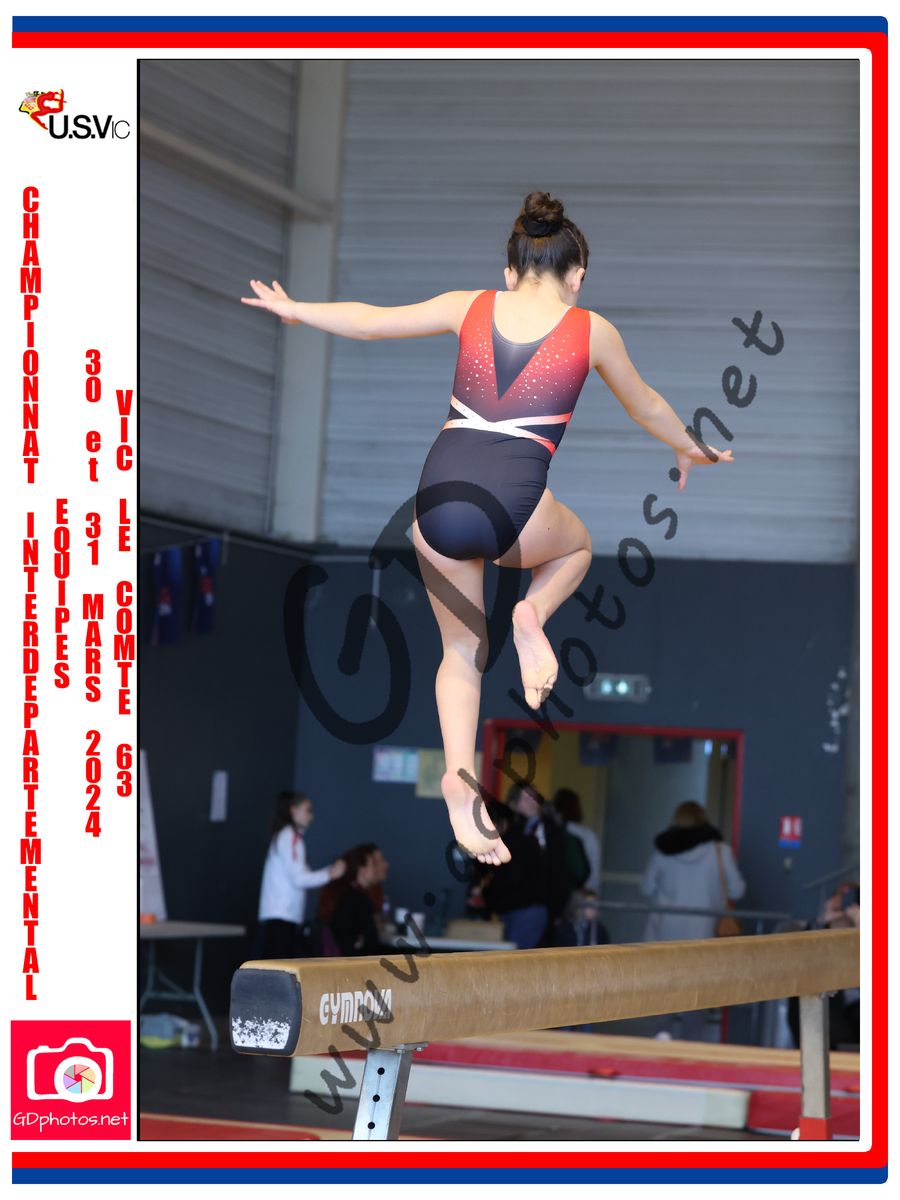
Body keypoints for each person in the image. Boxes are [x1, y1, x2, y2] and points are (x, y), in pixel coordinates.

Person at [241, 191, 733, 867]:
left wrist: (298, 309)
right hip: (513, 503)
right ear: (577, 276)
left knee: (461, 652)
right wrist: (687, 446)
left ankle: (458, 777)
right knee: (578, 547)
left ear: (509, 272)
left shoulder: (468, 305)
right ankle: (533, 613)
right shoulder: (591, 330)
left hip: (435, 502)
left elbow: (372, 322)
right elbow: (644, 403)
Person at [640, 800, 745, 1040]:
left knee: (662, 989)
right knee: (697, 994)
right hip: (703, 932)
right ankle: (692, 1044)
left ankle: (661, 1039)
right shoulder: (719, 851)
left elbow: (646, 887)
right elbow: (737, 890)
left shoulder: (663, 850)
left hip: (664, 932)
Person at [255, 791, 345, 959]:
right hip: (282, 916)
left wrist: (329, 872)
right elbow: (299, 879)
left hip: (282, 916)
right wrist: (330, 874)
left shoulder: (287, 836)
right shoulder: (290, 836)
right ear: (293, 810)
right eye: (308, 810)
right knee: (278, 968)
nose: (311, 817)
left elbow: (302, 874)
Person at [317, 843, 387, 957]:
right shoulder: (359, 900)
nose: (376, 869)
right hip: (351, 963)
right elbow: (371, 944)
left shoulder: (342, 895)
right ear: (361, 870)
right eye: (373, 864)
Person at [552, 786, 601, 892]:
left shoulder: (554, 833)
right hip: (583, 890)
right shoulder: (587, 835)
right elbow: (594, 868)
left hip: (560, 890)